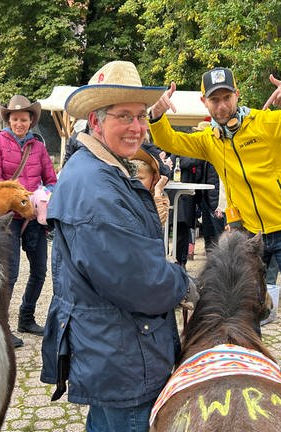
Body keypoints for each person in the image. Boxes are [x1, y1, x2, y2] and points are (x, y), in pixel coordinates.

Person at [148, 65, 281, 406]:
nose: (222, 105)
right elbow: (169, 140)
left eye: (226, 97)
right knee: (245, 310)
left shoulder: (266, 122)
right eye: (215, 100)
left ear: (237, 95)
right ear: (205, 102)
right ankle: (252, 369)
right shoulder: (211, 140)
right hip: (247, 236)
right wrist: (156, 116)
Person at [40, 60, 190, 432]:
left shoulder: (101, 170)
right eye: (124, 116)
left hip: (113, 350)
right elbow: (142, 283)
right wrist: (184, 283)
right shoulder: (97, 188)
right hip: (123, 355)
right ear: (95, 121)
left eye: (141, 116)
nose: (137, 127)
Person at [0, 94, 57, 347]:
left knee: (40, 270)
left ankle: (27, 317)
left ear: (31, 120)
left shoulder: (39, 146)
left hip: (34, 217)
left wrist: (45, 196)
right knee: (9, 274)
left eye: (24, 119)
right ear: (9, 119)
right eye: (15, 119)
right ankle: (1, 328)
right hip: (8, 219)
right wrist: (21, 197)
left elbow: (51, 179)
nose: (19, 123)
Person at [132, 148, 169, 225]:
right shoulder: (127, 195)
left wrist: (158, 191)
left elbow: (159, 221)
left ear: (154, 178)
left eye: (140, 178)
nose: (135, 182)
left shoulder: (160, 198)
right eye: (132, 178)